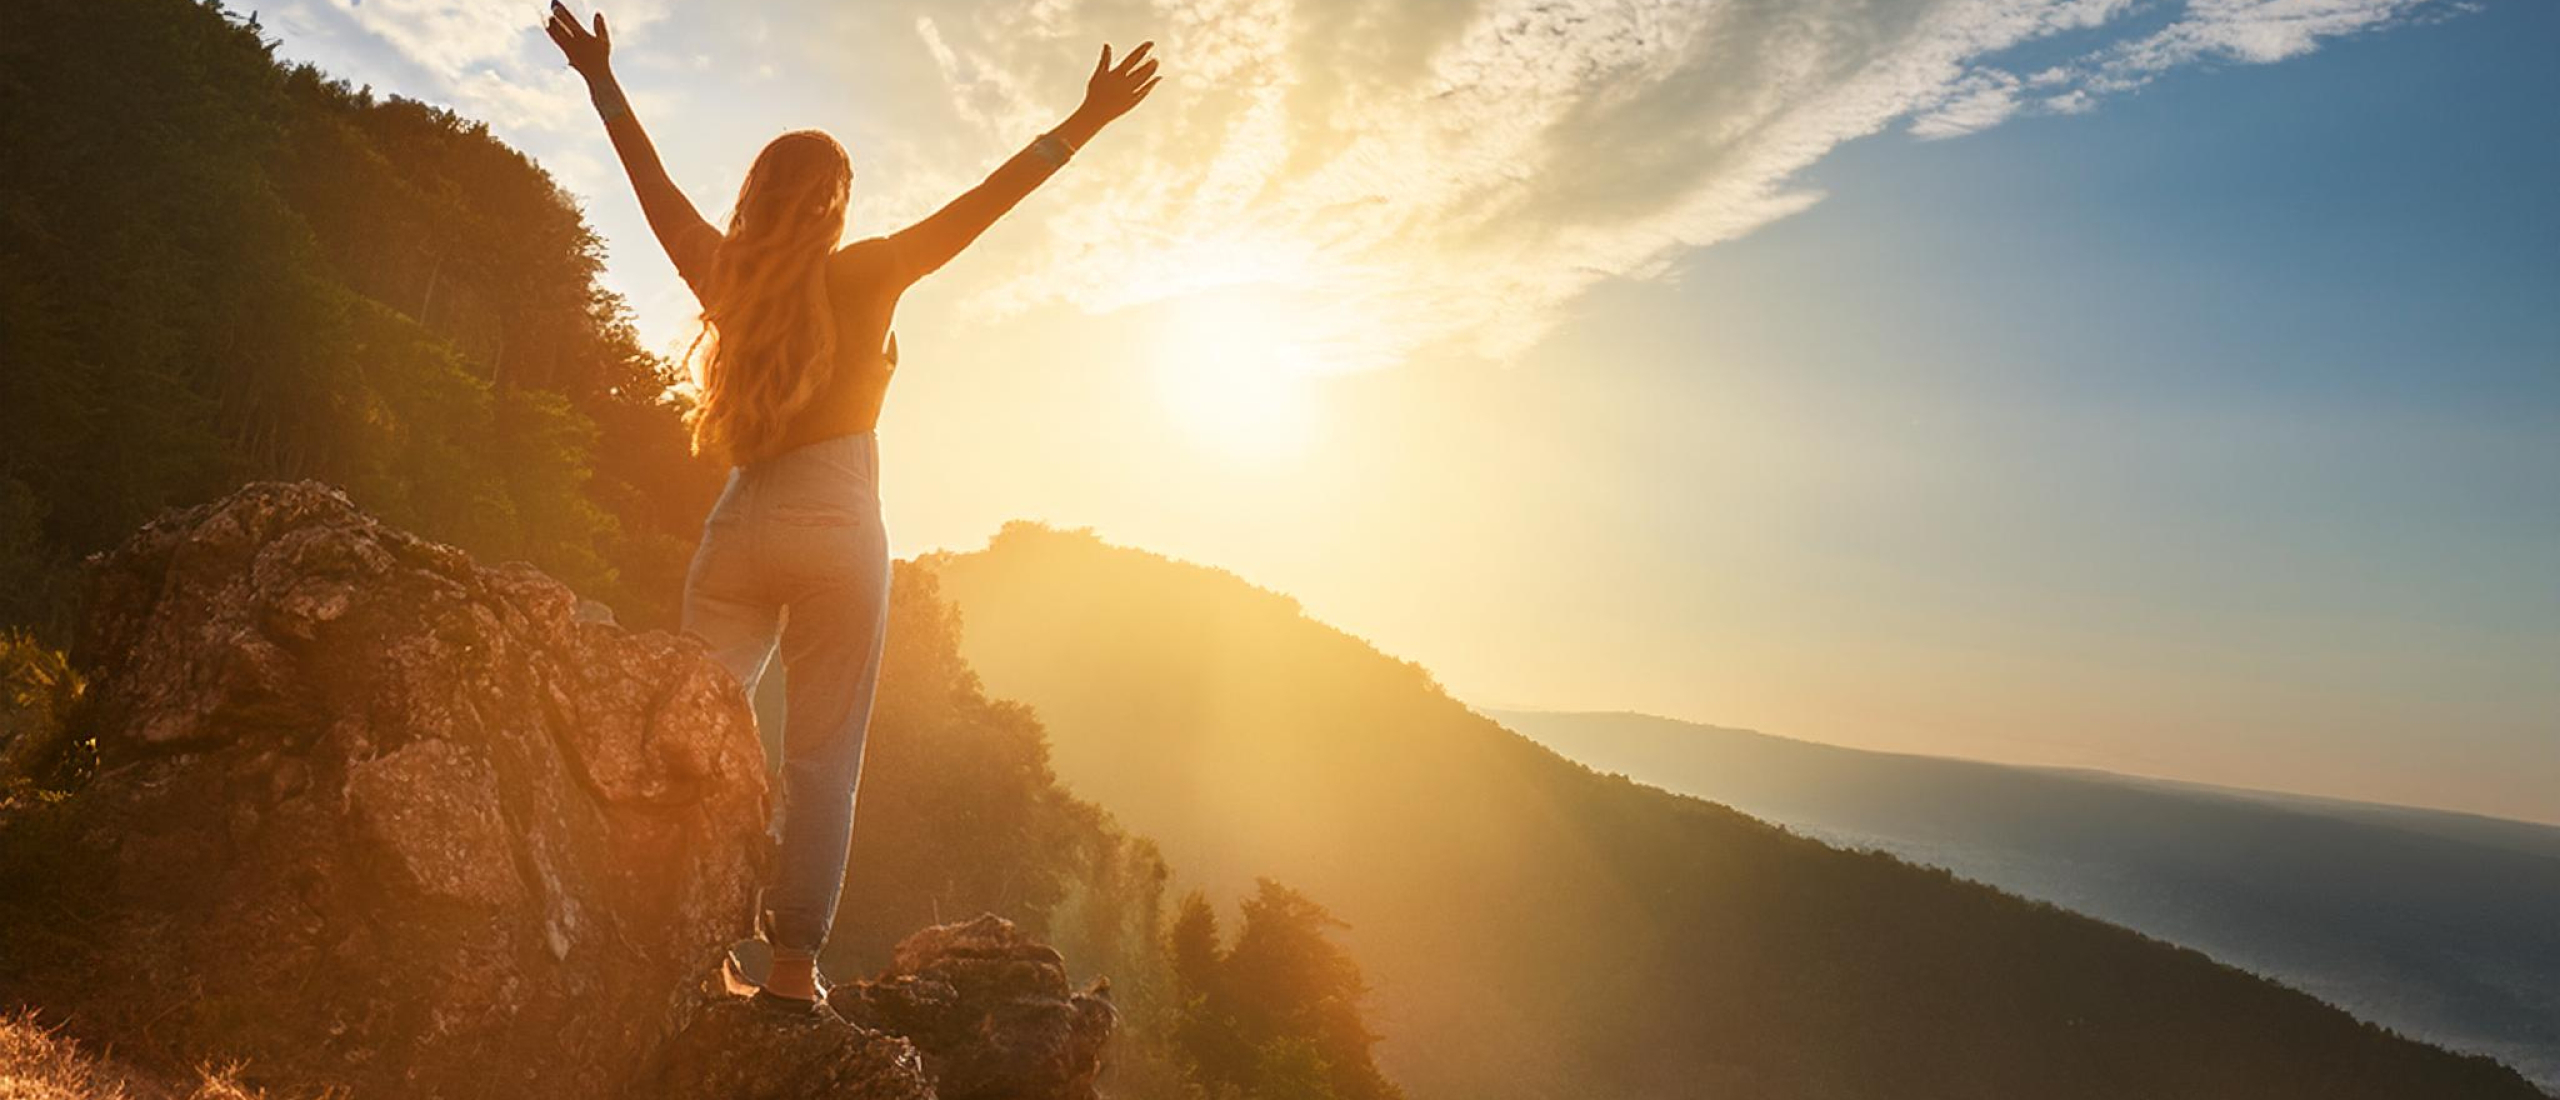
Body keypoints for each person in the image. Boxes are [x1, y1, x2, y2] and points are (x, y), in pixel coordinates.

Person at [546, 2, 1162, 1009]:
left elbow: (651, 190)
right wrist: (1084, 121)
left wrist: (602, 81)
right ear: (833, 205)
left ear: (756, 195)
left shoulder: (726, 274)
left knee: (693, 723)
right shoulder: (872, 269)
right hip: (839, 523)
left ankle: (682, 938)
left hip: (741, 521)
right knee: (823, 755)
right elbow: (983, 203)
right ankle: (792, 968)